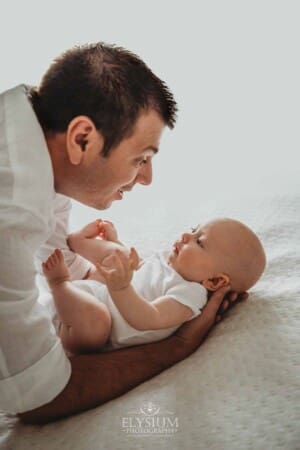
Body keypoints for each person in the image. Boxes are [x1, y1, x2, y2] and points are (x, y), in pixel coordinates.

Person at [0, 42, 245, 425]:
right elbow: (36, 397)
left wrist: (94, 256)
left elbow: (63, 261)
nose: (146, 179)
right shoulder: (10, 212)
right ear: (82, 139)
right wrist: (176, 348)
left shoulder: (43, 162)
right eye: (141, 158)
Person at [42, 218, 266, 354]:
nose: (187, 235)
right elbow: (140, 272)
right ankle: (79, 242)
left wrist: (121, 287)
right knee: (122, 255)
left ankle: (59, 283)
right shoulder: (169, 261)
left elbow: (150, 318)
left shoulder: (190, 295)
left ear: (215, 281)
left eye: (199, 241)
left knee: (97, 321)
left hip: (88, 326)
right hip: (90, 296)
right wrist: (116, 246)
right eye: (194, 229)